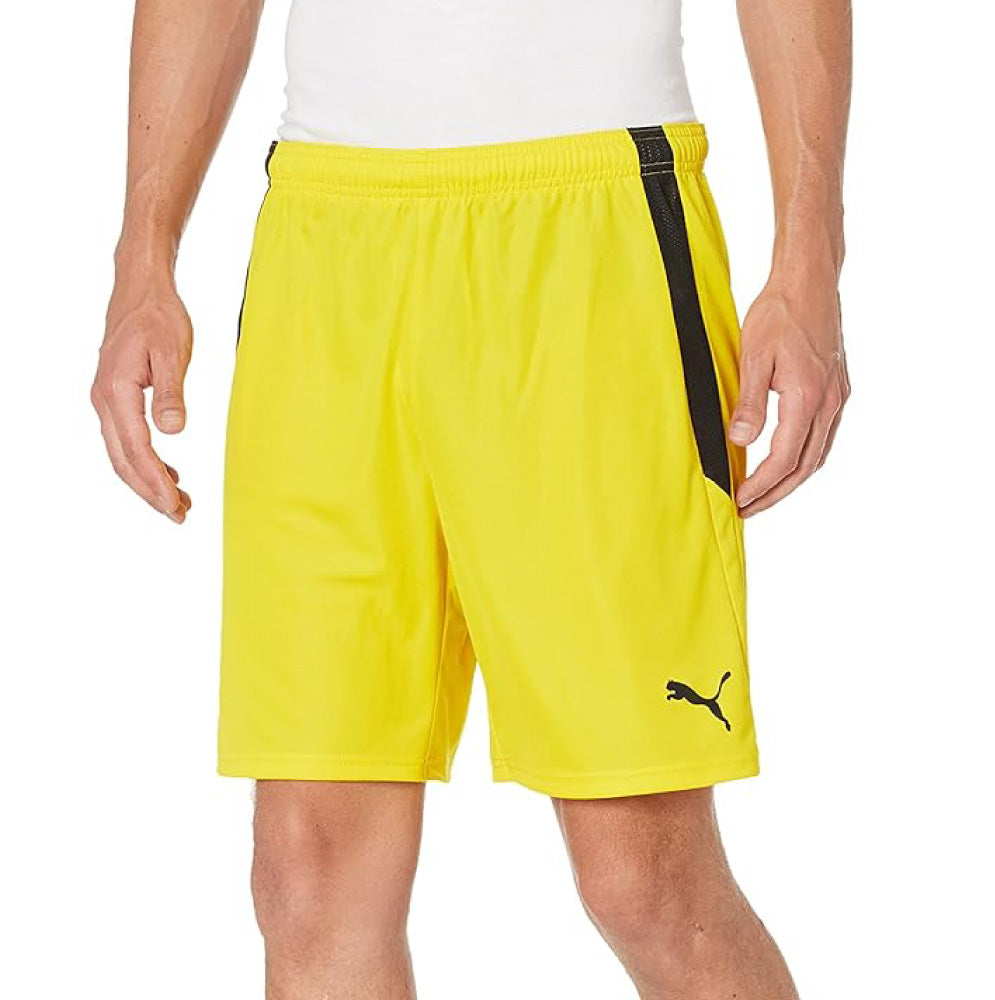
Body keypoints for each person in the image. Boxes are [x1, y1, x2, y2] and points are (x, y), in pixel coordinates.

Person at [91, 1, 851, 996]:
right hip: (326, 238)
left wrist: (810, 255)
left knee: (641, 872)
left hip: (591, 228)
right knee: (308, 874)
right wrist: (142, 256)